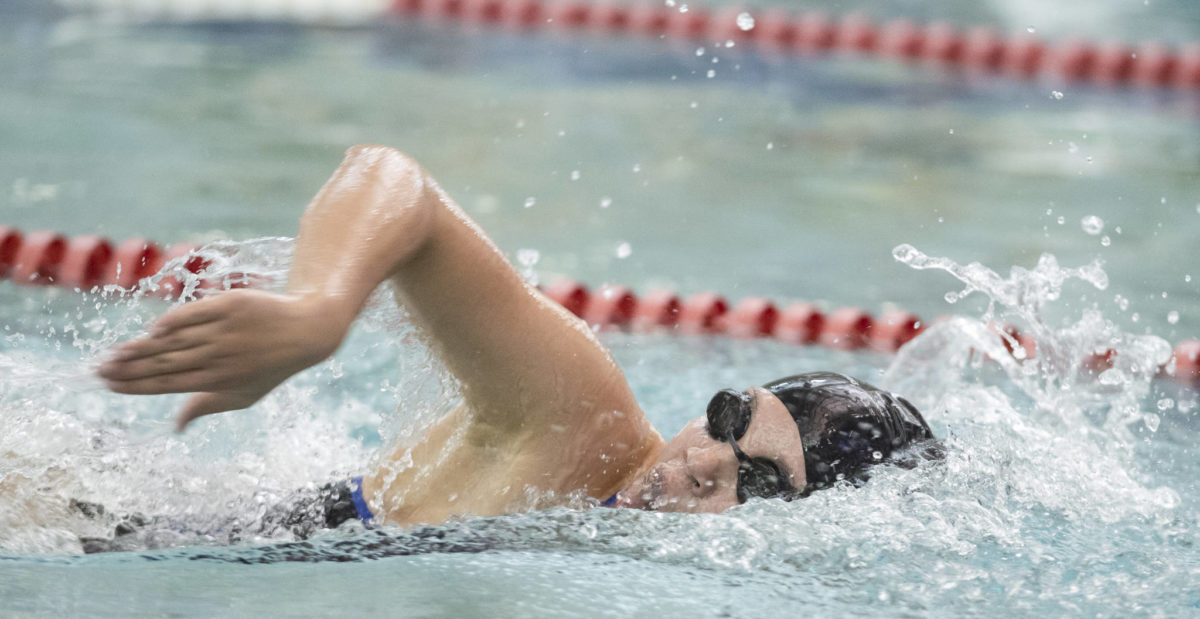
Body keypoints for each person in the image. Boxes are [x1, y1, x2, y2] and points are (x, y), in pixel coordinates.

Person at [98, 145, 936, 529]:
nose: (707, 460)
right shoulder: (583, 422)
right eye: (728, 417)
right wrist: (318, 311)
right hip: (121, 531)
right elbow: (396, 182)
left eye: (756, 480)